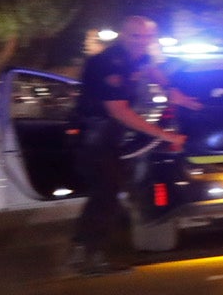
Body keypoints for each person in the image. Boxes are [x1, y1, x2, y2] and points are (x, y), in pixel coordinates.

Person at [69, 15, 197, 275]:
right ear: (122, 35)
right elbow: (119, 111)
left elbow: (156, 76)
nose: (142, 41)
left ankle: (82, 252)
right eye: (135, 36)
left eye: (147, 36)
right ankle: (89, 258)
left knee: (106, 196)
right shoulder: (106, 62)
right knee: (105, 196)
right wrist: (164, 134)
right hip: (94, 137)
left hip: (111, 137)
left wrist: (184, 98)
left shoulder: (137, 57)